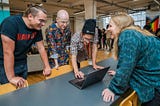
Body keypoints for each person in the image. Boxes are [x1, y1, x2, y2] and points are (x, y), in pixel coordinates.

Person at [101, 13, 160, 106]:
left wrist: (113, 88)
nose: (108, 29)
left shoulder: (128, 35)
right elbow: (137, 62)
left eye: (110, 26)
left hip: (154, 87)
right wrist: (120, 74)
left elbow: (126, 66)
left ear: (120, 26)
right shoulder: (136, 33)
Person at [0, 5, 51, 88]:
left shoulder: (36, 28)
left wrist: (47, 66)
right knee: (10, 91)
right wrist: (12, 77)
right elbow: (8, 52)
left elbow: (41, 48)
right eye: (41, 20)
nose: (43, 24)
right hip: (5, 63)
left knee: (22, 89)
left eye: (44, 21)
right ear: (30, 16)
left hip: (22, 61)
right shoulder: (11, 23)